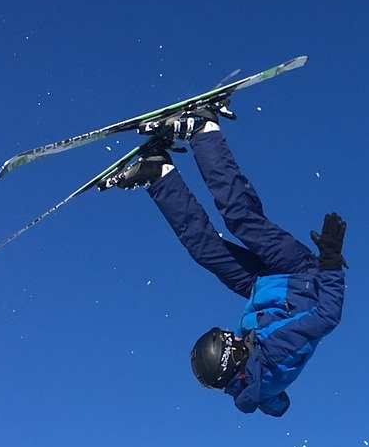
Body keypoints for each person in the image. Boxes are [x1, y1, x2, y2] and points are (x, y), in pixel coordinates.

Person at [101, 104, 347, 417]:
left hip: (264, 288)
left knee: (206, 251)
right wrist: (331, 260)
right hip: (302, 276)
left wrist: (272, 400)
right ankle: (204, 130)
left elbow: (273, 402)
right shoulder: (276, 350)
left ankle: (158, 175)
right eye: (228, 339)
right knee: (241, 219)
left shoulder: (245, 382)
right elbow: (328, 316)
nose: (233, 335)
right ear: (231, 357)